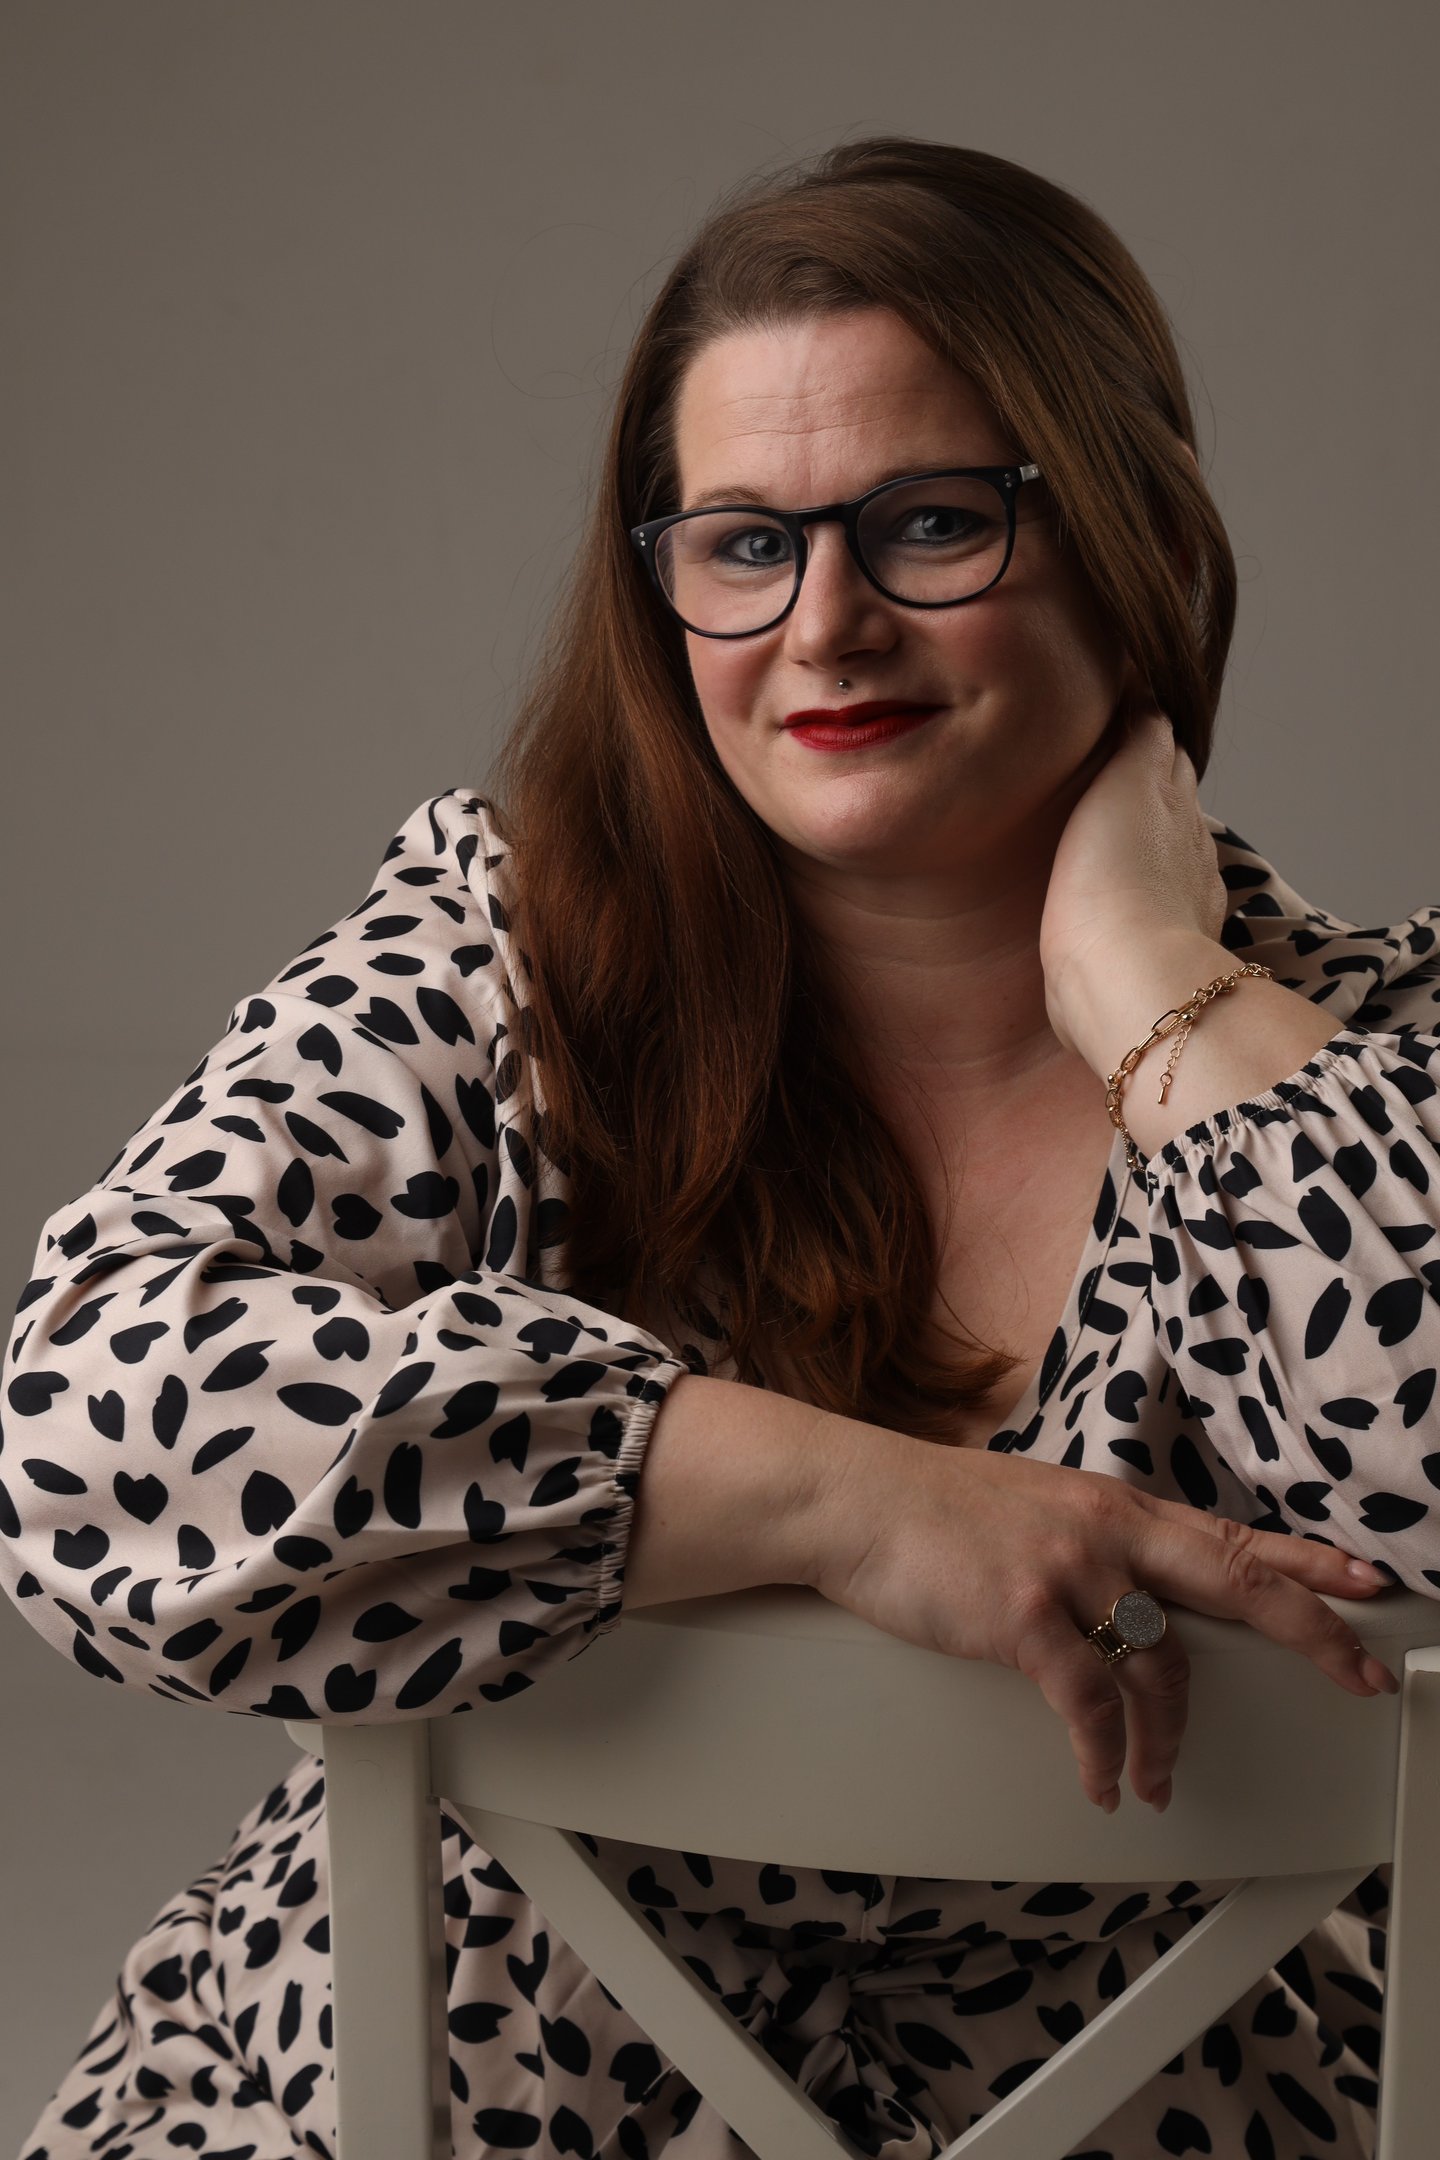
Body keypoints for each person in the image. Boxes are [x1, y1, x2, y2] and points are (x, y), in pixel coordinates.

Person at [4, 133, 1436, 2160]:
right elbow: (88, 1433)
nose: (826, 625)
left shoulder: (1365, 1056)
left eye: (931, 524)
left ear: (1128, 538)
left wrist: (1154, 988)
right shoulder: (505, 963)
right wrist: (855, 1506)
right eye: (745, 544)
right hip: (407, 2101)